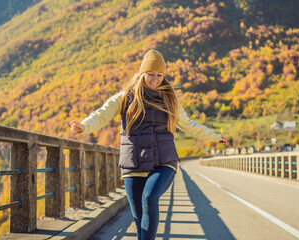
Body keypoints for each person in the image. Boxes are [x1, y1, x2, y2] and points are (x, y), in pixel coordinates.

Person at [69, 49, 227, 240]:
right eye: (151, 74)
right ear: (142, 73)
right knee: (139, 219)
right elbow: (102, 115)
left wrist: (214, 136)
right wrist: (83, 126)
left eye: (159, 75)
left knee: (149, 198)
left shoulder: (170, 100)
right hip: (134, 166)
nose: (155, 79)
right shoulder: (125, 97)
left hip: (164, 163)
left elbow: (189, 125)